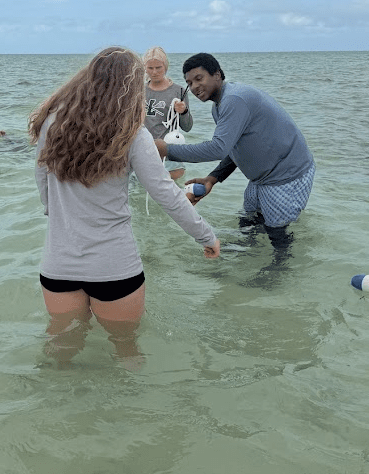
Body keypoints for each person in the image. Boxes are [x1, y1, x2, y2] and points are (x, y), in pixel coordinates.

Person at [29, 47, 220, 367]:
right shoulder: (132, 134)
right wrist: (206, 236)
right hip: (114, 267)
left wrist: (56, 213)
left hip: (59, 264)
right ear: (131, 89)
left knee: (61, 349)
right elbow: (167, 194)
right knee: (126, 352)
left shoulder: (53, 123)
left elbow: (42, 180)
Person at [154, 53, 315, 249]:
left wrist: (166, 149)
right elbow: (232, 148)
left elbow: (218, 148)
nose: (194, 87)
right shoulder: (219, 106)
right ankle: (245, 258)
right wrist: (212, 179)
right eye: (189, 83)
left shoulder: (234, 99)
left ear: (217, 74)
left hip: (287, 176)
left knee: (277, 234)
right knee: (249, 222)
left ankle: (281, 267)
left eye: (199, 78)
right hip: (262, 178)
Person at [143, 47, 193, 180]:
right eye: (150, 68)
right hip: (144, 150)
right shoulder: (139, 91)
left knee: (172, 190)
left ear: (165, 66)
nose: (154, 72)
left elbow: (187, 127)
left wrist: (183, 111)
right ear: (145, 68)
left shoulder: (179, 91)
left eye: (158, 67)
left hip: (169, 151)